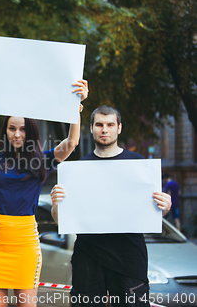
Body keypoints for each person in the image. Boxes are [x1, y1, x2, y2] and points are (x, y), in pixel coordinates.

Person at [0, 69, 89, 307]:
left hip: (26, 242)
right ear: (6, 131)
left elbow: (72, 143)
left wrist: (76, 108)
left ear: (30, 132)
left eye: (22, 129)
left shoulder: (43, 160)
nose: (17, 134)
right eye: (12, 128)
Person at [50, 105, 172, 307]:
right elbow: (61, 220)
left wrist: (165, 205)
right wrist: (56, 205)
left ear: (119, 128)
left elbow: (155, 212)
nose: (104, 129)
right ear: (91, 128)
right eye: (99, 124)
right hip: (89, 255)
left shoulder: (139, 165)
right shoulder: (76, 169)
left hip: (129, 256)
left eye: (110, 125)